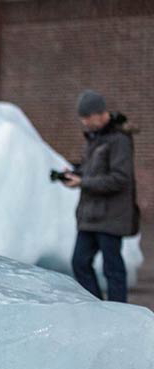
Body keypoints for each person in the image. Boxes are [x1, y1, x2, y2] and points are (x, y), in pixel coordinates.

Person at [61, 90, 139, 302]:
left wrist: (83, 182)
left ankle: (119, 314)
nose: (84, 122)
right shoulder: (94, 139)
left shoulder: (119, 140)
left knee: (112, 268)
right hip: (90, 216)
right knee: (79, 262)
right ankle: (98, 308)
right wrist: (75, 174)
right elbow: (92, 171)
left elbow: (120, 179)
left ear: (99, 113)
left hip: (111, 217)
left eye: (86, 117)